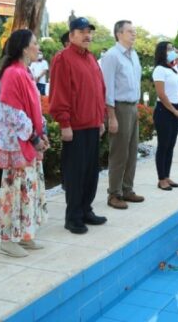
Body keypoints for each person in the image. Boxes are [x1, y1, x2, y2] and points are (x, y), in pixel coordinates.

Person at [50, 17, 107, 235]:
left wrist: (100, 118)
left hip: (92, 125)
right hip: (75, 128)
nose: (87, 35)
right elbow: (60, 93)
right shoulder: (63, 59)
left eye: (89, 32)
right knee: (75, 173)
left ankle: (86, 210)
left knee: (91, 172)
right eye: (82, 31)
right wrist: (64, 123)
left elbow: (99, 90)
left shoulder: (91, 58)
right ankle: (73, 217)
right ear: (72, 34)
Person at [0, 30, 48, 258]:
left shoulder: (25, 72)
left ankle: (25, 234)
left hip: (28, 141)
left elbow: (34, 107)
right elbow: (11, 112)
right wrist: (33, 137)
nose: (38, 47)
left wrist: (41, 131)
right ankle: (7, 239)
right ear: (25, 48)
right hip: (17, 144)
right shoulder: (13, 73)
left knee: (27, 189)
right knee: (14, 192)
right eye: (35, 44)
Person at [100, 20, 144, 210]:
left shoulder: (133, 55)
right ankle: (114, 194)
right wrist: (112, 116)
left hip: (132, 107)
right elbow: (107, 88)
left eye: (134, 31)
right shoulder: (112, 56)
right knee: (119, 152)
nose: (133, 34)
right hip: (119, 107)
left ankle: (127, 189)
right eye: (129, 31)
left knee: (132, 151)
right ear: (119, 34)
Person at [152, 42, 178, 191]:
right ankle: (161, 179)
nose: (173, 51)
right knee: (163, 145)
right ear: (162, 52)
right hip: (164, 111)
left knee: (171, 146)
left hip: (176, 109)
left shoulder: (173, 69)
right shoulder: (159, 70)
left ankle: (167, 176)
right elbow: (161, 94)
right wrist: (174, 110)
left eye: (173, 49)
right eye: (170, 49)